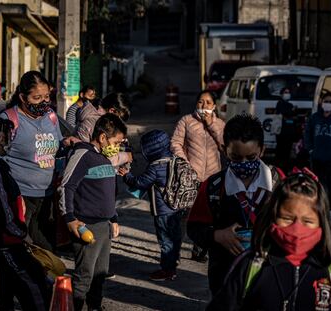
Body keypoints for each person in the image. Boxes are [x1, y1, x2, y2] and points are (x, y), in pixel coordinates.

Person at [207, 171, 331, 311]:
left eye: (307, 221)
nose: (297, 229)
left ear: (322, 222)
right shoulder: (251, 265)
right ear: (273, 217)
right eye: (287, 218)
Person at [187, 113, 277, 296]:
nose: (244, 164)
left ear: (262, 150)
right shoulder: (213, 187)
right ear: (223, 150)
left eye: (251, 157)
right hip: (225, 278)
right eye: (236, 158)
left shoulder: (280, 185)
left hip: (270, 277)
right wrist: (217, 235)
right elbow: (194, 228)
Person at [0, 115, 50, 310]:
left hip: (5, 238)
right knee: (33, 285)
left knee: (8, 285)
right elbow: (2, 207)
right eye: (6, 134)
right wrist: (20, 233)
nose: (9, 138)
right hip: (5, 240)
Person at [0, 70, 78, 251]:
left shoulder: (50, 116)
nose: (44, 102)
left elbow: (58, 146)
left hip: (47, 196)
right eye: (37, 98)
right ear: (22, 97)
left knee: (47, 249)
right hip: (20, 197)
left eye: (46, 96)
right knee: (21, 248)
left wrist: (66, 143)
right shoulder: (8, 120)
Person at [59, 113, 126, 311]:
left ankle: (94, 307)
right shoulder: (83, 155)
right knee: (84, 277)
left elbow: (107, 194)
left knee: (100, 275)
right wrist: (70, 218)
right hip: (86, 226)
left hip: (104, 226)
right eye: (116, 142)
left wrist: (113, 218)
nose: (118, 147)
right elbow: (66, 186)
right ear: (103, 137)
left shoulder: (105, 158)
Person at [119, 130, 183, 281]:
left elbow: (140, 182)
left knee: (165, 241)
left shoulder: (155, 167)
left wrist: (126, 176)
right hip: (178, 207)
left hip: (163, 210)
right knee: (175, 238)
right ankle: (173, 262)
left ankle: (167, 270)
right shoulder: (175, 160)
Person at [171, 90, 225, 262]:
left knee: (208, 216)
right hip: (189, 177)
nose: (204, 106)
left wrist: (211, 125)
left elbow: (225, 147)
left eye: (208, 103)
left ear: (214, 106)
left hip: (213, 179)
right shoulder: (186, 121)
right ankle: (174, 252)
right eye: (201, 102)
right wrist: (184, 162)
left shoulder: (220, 124)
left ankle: (199, 250)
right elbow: (175, 143)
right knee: (183, 215)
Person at [304, 92, 331, 220]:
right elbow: (307, 134)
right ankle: (316, 209)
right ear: (321, 102)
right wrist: (310, 149)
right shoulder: (314, 117)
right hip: (316, 157)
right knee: (316, 183)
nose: (328, 104)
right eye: (326, 101)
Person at [275, 87, 296, 172]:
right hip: (281, 132)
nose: (287, 94)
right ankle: (279, 168)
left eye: (288, 92)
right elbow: (286, 113)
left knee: (287, 151)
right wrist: (292, 111)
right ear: (281, 94)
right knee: (281, 150)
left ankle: (284, 168)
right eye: (285, 92)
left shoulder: (289, 105)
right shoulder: (280, 104)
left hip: (289, 132)